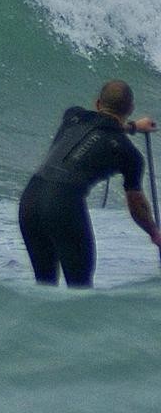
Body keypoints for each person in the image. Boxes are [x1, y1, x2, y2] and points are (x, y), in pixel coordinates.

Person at [18, 79, 161, 287]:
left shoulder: (73, 116)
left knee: (44, 285)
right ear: (131, 108)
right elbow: (137, 206)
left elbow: (101, 125)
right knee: (79, 289)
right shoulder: (128, 153)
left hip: (30, 199)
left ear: (97, 103)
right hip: (63, 205)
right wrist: (154, 233)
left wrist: (132, 127)